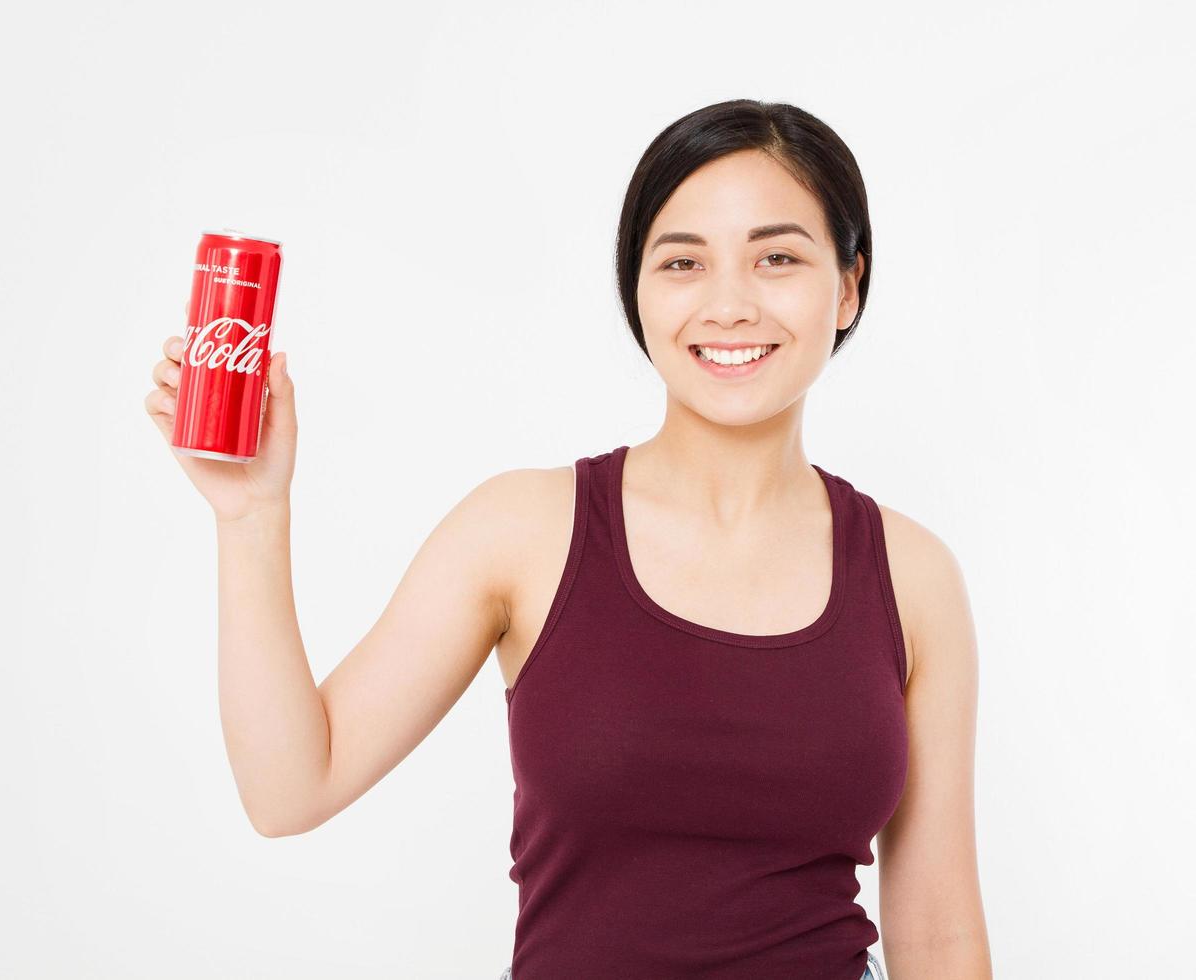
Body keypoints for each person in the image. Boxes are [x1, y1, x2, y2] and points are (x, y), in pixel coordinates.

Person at [144, 99, 993, 979]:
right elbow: (291, 788)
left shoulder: (913, 576)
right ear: (637, 286)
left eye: (777, 257)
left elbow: (938, 935)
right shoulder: (523, 531)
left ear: (848, 285)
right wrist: (250, 519)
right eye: (683, 262)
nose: (730, 303)